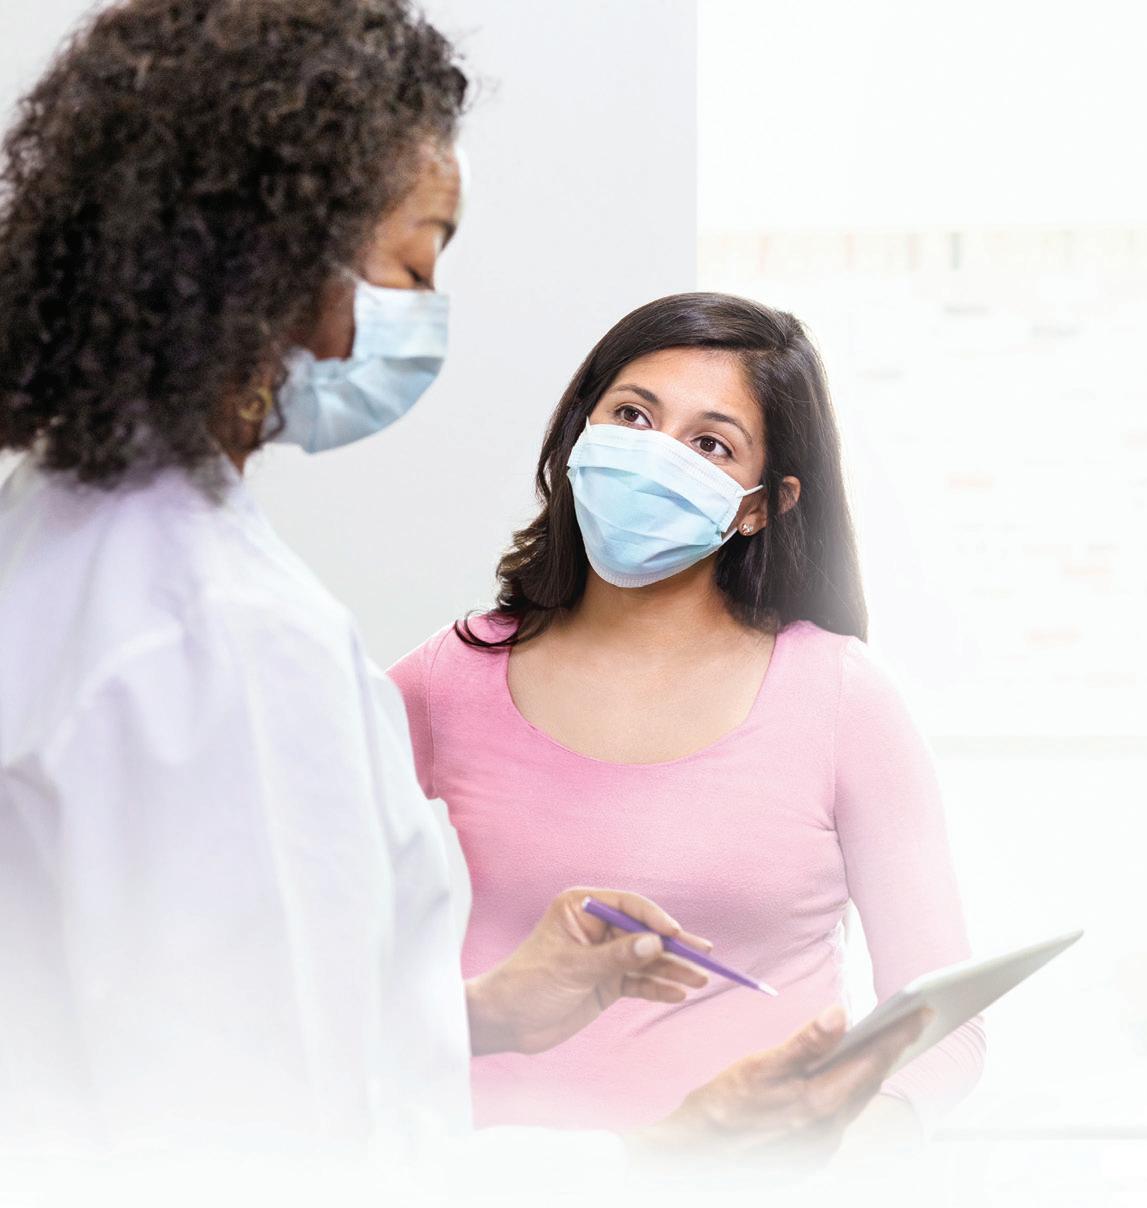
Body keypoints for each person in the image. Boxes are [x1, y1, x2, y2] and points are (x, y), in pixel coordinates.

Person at [0, 0, 921, 1172]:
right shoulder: (232, 637)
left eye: (711, 442)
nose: (424, 310)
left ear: (766, 500)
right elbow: (269, 1154)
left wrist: (482, 1013)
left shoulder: (52, 532)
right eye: (415, 261)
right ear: (280, 256)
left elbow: (211, 1017)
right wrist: (664, 1154)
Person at [388, 293, 985, 1143]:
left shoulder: (841, 698)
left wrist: (838, 1145)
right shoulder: (448, 677)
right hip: (495, 1179)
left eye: (710, 444)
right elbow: (275, 916)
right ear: (579, 431)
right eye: (632, 415)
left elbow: (943, 1024)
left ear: (760, 504)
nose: (653, 456)